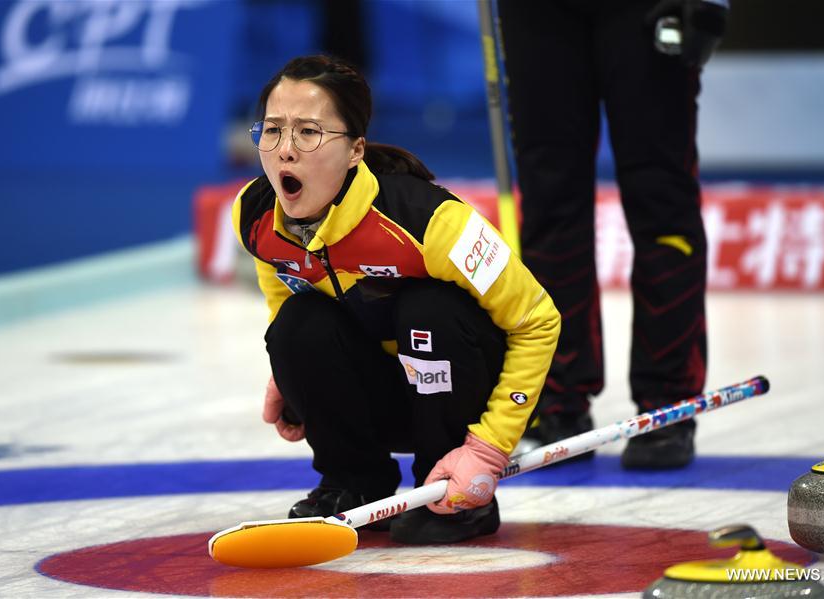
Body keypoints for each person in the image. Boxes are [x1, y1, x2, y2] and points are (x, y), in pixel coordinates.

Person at [231, 55, 560, 544]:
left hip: (465, 397)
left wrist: (490, 445)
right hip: (380, 399)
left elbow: (538, 320)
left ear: (355, 150)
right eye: (273, 130)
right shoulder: (255, 212)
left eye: (308, 132)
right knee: (297, 324)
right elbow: (285, 290)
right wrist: (293, 372)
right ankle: (354, 482)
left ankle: (451, 493)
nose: (285, 151)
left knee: (429, 309)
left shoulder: (432, 221)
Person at [497, 0, 727, 468]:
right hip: (537, 13)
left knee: (662, 202)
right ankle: (558, 403)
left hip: (648, 7)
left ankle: (668, 403)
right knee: (548, 204)